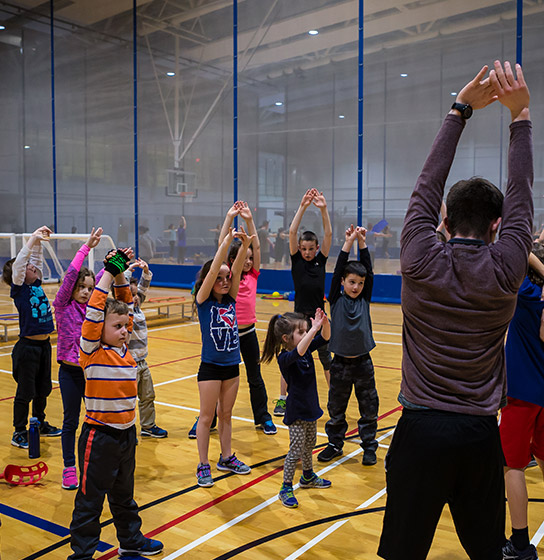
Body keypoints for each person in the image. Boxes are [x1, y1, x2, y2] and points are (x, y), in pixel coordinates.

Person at [378, 61, 533, 560]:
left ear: (443, 218)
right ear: (498, 227)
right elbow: (523, 196)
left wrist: (459, 110)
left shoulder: (420, 255)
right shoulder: (509, 266)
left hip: (419, 430)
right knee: (487, 552)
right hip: (476, 434)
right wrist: (520, 116)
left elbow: (427, 181)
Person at [68, 248, 163, 559]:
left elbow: (128, 304)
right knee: (90, 499)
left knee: (124, 495)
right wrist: (108, 271)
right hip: (99, 437)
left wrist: (121, 273)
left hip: (126, 435)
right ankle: (82, 554)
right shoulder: (92, 351)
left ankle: (130, 539)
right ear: (100, 329)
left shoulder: (127, 350)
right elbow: (96, 309)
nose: (125, 331)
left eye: (126, 326)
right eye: (117, 327)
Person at [193, 224, 253, 487]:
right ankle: (203, 464)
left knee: (226, 414)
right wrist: (226, 242)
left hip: (231, 366)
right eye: (220, 277)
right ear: (210, 278)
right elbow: (218, 266)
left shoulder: (229, 299)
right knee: (207, 418)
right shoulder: (203, 300)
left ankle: (226, 457)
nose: (226, 280)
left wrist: (246, 245)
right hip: (210, 368)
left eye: (227, 277)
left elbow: (237, 269)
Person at [317, 225, 379, 466]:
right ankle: (334, 444)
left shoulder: (365, 298)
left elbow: (369, 271)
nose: (356, 287)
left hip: (363, 362)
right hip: (340, 363)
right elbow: (336, 270)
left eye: (360, 283)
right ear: (343, 282)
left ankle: (369, 447)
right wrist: (348, 242)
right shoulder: (335, 298)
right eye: (352, 282)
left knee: (369, 407)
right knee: (336, 407)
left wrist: (361, 242)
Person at [499, 244, 544, 560]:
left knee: (511, 466)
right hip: (543, 393)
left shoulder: (526, 294)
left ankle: (519, 545)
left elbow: (513, 251)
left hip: (521, 392)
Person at [262, 308, 332, 508]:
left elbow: (325, 338)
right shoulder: (285, 358)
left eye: (305, 331)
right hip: (297, 411)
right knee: (296, 451)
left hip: (310, 407)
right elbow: (299, 350)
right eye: (301, 332)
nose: (305, 334)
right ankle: (285, 487)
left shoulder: (306, 348)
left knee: (310, 444)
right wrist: (314, 329)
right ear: (285, 338)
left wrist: (324, 324)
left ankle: (308, 476)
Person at [218, 201, 276, 434]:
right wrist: (229, 217)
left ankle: (263, 417)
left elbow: (258, 248)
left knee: (255, 377)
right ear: (233, 260)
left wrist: (250, 220)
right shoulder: (227, 277)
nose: (249, 260)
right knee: (218, 379)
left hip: (248, 333)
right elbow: (221, 247)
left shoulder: (252, 276)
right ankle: (209, 419)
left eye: (251, 257)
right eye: (245, 256)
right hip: (228, 334)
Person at [273, 188, 332, 417]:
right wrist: (304, 206)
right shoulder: (296, 260)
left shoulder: (321, 261)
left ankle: (334, 399)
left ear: (316, 249)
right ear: (300, 248)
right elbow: (292, 231)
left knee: (326, 359)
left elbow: (327, 234)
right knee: (291, 358)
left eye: (311, 249)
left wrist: (323, 209)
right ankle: (282, 399)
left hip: (319, 317)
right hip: (298, 319)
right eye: (304, 248)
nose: (307, 252)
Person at [2, 225, 61, 449]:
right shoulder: (19, 289)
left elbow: (34, 258)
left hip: (45, 346)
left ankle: (40, 422)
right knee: (25, 391)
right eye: (28, 267)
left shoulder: (36, 283)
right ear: (18, 275)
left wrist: (38, 240)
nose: (33, 267)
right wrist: (31, 240)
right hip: (27, 349)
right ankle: (19, 431)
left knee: (43, 388)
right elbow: (19, 264)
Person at [53, 227, 102, 490]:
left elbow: (104, 280)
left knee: (93, 419)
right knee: (70, 421)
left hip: (90, 373)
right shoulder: (63, 306)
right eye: (81, 287)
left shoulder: (91, 308)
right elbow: (72, 274)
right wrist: (87, 248)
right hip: (70, 374)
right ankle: (69, 467)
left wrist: (114, 264)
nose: (85, 291)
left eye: (89, 288)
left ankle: (91, 462)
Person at [127, 259, 168, 439]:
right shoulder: (123, 308)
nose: (135, 297)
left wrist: (145, 270)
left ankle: (148, 426)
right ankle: (126, 430)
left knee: (148, 396)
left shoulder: (137, 307)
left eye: (136, 294)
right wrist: (127, 272)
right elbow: (123, 290)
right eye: (131, 294)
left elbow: (143, 287)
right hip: (128, 365)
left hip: (143, 363)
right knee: (127, 400)